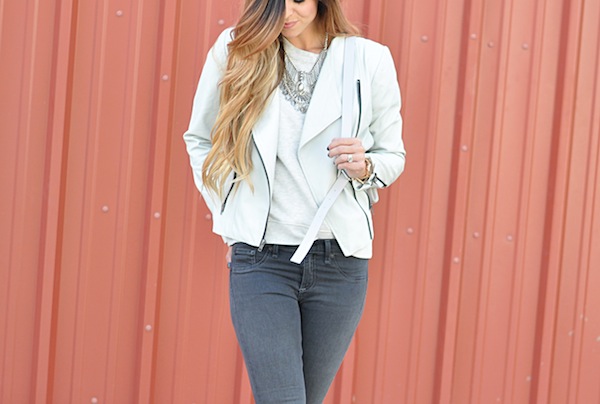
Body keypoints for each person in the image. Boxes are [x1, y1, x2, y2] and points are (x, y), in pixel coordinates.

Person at [183, 0, 405, 402]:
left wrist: (365, 165)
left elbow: (393, 155)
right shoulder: (238, 49)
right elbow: (200, 140)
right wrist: (230, 214)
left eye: (299, 0)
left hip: (341, 264)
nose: (287, 12)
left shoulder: (368, 59)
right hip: (262, 260)